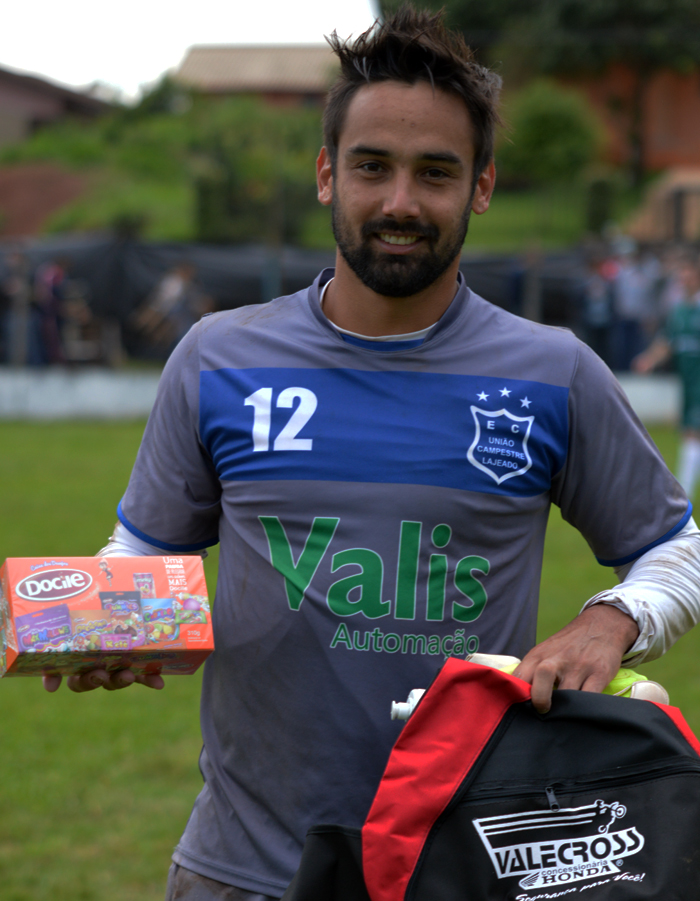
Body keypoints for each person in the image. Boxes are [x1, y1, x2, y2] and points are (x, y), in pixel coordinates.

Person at [42, 8, 700, 900]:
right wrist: (110, 625)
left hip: (459, 862)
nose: (400, 202)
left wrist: (609, 618)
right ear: (326, 175)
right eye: (371, 167)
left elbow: (676, 547)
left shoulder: (555, 373)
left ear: (482, 187)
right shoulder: (218, 357)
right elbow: (146, 550)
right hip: (242, 868)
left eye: (435, 172)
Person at [634, 259, 700, 499]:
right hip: (688, 382)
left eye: (688, 275)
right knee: (690, 432)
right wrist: (648, 359)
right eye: (681, 276)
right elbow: (667, 342)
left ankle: (682, 492)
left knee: (692, 432)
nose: (683, 280)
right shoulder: (679, 311)